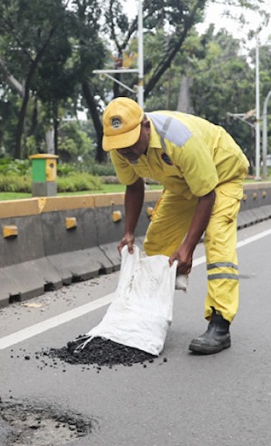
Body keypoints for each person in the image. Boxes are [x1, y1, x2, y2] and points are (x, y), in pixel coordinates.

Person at [102, 98, 249, 354]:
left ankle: (219, 323)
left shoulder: (179, 139)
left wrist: (188, 248)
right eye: (120, 147)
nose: (126, 151)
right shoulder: (121, 146)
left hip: (222, 174)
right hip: (183, 182)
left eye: (130, 144)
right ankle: (151, 314)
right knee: (157, 241)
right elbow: (134, 186)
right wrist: (127, 232)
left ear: (146, 126)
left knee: (217, 239)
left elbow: (207, 194)